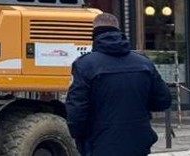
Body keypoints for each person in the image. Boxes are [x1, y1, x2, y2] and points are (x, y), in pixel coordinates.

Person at [66, 12, 172, 156]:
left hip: (100, 144)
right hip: (138, 143)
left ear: (94, 33)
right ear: (118, 30)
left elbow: (76, 110)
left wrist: (80, 137)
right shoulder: (144, 63)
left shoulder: (85, 65)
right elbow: (163, 101)